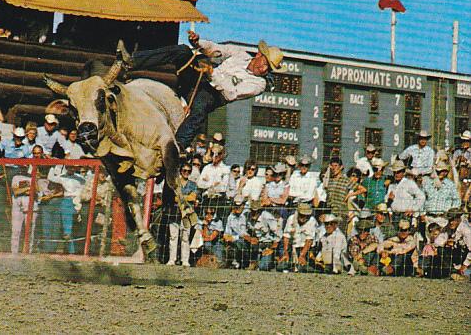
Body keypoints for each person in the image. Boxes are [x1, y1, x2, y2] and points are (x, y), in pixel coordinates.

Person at [117, 31, 287, 149]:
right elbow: (217, 49)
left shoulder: (259, 84)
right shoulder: (240, 55)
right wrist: (199, 43)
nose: (265, 69)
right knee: (182, 51)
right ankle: (131, 61)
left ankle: (178, 146)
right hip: (201, 79)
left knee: (201, 105)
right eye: (265, 63)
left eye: (269, 68)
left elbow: (231, 92)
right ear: (259, 55)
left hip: (215, 95)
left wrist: (213, 74)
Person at [46, 165, 85, 254]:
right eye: (69, 167)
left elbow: (85, 187)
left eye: (73, 167)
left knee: (78, 226)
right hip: (67, 200)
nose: (71, 169)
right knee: (67, 228)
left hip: (78, 201)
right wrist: (53, 165)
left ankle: (77, 250)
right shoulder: (62, 177)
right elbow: (50, 177)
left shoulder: (80, 178)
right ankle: (70, 251)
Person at [166, 163, 198, 267]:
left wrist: (180, 198)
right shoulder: (175, 183)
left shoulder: (193, 184)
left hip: (187, 214)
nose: (186, 173)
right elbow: (171, 197)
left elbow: (193, 197)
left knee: (185, 237)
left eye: (189, 171)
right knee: (173, 236)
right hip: (175, 212)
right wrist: (186, 197)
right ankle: (172, 259)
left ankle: (185, 260)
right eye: (184, 170)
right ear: (181, 171)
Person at [324, 157, 366, 234]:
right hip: (330, 212)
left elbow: (363, 189)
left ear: (341, 167)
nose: (334, 168)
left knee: (340, 236)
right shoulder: (330, 180)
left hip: (341, 213)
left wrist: (350, 194)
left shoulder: (346, 180)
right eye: (332, 166)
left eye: (336, 166)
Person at [223, 195, 258, 269]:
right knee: (238, 243)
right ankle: (240, 263)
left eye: (240, 205)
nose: (238, 207)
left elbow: (250, 230)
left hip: (249, 240)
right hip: (238, 241)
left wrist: (250, 238)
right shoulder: (230, 217)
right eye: (236, 205)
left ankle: (251, 263)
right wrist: (239, 237)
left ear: (243, 205)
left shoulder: (247, 215)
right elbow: (226, 236)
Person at [386, 160, 425, 225]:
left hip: (405, 215)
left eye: (398, 172)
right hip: (394, 215)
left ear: (403, 172)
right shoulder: (392, 185)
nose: (396, 174)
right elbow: (388, 201)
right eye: (394, 172)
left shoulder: (409, 183)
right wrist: (390, 212)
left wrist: (413, 209)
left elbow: (421, 196)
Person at [10, 165, 39, 254]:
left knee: (30, 229)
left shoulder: (32, 177)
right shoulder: (15, 177)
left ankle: (28, 251)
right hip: (18, 203)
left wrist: (34, 179)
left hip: (30, 204)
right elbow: (16, 191)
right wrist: (27, 188)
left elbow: (36, 190)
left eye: (25, 167)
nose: (23, 168)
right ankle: (14, 251)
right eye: (22, 167)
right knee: (16, 229)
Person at [422, 161, 461, 226]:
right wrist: (422, 214)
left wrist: (450, 212)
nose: (440, 173)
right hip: (429, 217)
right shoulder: (428, 184)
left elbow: (457, 200)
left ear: (446, 172)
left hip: (443, 219)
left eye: (443, 171)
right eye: (438, 171)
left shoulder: (450, 185)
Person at [282, 203, 318, 272]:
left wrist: (302, 255)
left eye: (306, 216)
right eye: (302, 215)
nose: (304, 218)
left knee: (302, 269)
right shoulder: (291, 218)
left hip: (307, 249)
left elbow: (309, 240)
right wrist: (286, 252)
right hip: (293, 247)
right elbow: (286, 236)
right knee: (281, 267)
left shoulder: (312, 221)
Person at [454, 130, 471, 199]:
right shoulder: (458, 151)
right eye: (463, 141)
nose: (465, 143)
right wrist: (457, 160)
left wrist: (466, 161)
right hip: (458, 173)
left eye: (466, 141)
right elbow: (453, 163)